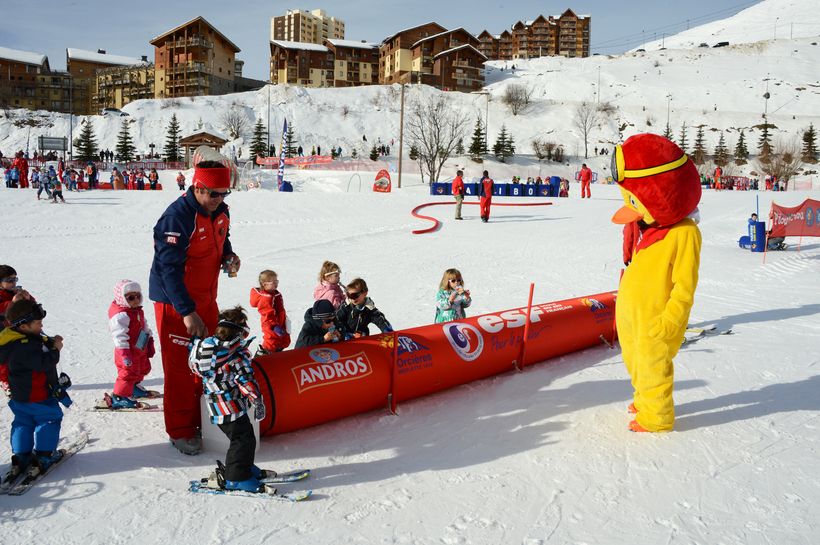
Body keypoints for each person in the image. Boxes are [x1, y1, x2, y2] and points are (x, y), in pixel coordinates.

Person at [610, 133, 702, 433]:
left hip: (656, 316)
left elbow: (685, 284)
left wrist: (672, 319)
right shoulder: (649, 226)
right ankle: (644, 398)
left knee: (653, 364)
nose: (632, 209)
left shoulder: (684, 233)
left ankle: (657, 416)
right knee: (634, 359)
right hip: (633, 312)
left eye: (635, 200)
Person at [149, 159, 240, 455]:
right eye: (213, 193)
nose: (219, 199)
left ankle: (203, 416)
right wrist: (187, 312)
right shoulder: (177, 218)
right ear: (197, 187)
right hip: (175, 303)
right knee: (179, 369)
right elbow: (167, 270)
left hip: (206, 297)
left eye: (224, 193)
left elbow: (222, 240)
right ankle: (181, 429)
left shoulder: (220, 211)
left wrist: (229, 256)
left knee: (208, 362)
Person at [188, 306, 267, 492]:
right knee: (243, 440)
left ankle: (244, 467)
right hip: (231, 405)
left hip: (217, 405)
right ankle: (236, 477)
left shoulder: (209, 350)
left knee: (244, 437)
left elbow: (194, 365)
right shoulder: (236, 357)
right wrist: (257, 399)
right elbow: (245, 379)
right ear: (239, 333)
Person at [0, 299, 71, 483]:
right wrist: (55, 349)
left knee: (23, 422)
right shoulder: (25, 346)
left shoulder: (11, 339)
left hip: (19, 396)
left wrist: (49, 341)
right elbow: (43, 362)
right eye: (38, 324)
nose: (41, 326)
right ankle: (44, 455)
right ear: (23, 326)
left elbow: (38, 343)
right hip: (38, 395)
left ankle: (21, 456)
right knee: (48, 419)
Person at [107, 280, 156, 409]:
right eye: (130, 297)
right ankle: (119, 396)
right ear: (122, 298)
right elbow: (119, 336)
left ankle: (133, 387)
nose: (135, 300)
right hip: (127, 351)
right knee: (127, 373)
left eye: (138, 296)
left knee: (142, 368)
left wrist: (149, 340)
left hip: (139, 348)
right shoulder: (121, 316)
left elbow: (144, 326)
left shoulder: (137, 311)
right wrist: (124, 353)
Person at [249, 270, 290, 355]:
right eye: (273, 282)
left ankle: (276, 355)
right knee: (271, 341)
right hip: (270, 325)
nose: (276, 283)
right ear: (264, 284)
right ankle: (262, 354)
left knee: (282, 341)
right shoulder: (266, 298)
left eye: (276, 281)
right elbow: (266, 314)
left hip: (279, 322)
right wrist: (274, 326)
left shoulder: (275, 294)